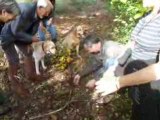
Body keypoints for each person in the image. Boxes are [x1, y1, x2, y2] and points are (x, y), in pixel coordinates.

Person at [96, 0, 160, 119]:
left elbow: (158, 71)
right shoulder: (146, 18)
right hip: (134, 70)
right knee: (136, 107)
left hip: (149, 79)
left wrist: (118, 82)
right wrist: (114, 69)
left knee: (148, 112)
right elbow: (131, 45)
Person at [0, 0, 54, 98]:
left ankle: (31, 75)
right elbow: (15, 31)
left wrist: (29, 42)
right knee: (14, 60)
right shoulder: (24, 10)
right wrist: (31, 39)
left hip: (21, 34)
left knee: (28, 52)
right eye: (46, 11)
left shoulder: (39, 15)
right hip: (8, 35)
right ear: (40, 8)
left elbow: (32, 29)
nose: (47, 14)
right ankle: (16, 86)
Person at [0, 0, 21, 115]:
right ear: (3, 12)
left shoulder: (4, 21)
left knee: (13, 59)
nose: (12, 20)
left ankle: (13, 83)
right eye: (11, 18)